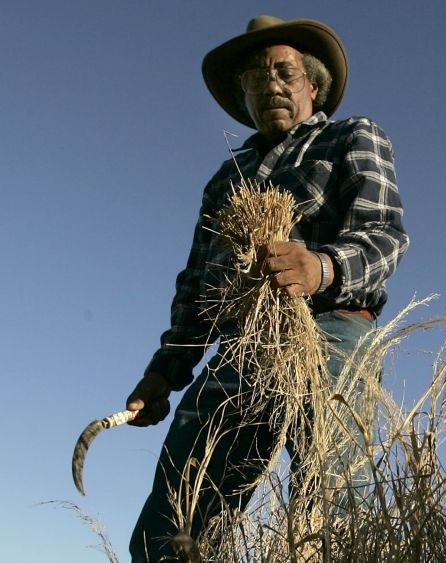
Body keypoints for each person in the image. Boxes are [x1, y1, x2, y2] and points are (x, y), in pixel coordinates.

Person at [123, 15, 408, 562]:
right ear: (244, 96)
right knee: (176, 512)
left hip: (332, 330)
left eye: (285, 71)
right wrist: (165, 371)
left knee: (332, 504)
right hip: (242, 346)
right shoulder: (227, 179)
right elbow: (196, 288)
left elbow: (384, 236)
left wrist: (320, 268)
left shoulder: (353, 136)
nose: (271, 84)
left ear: (313, 85)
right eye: (256, 77)